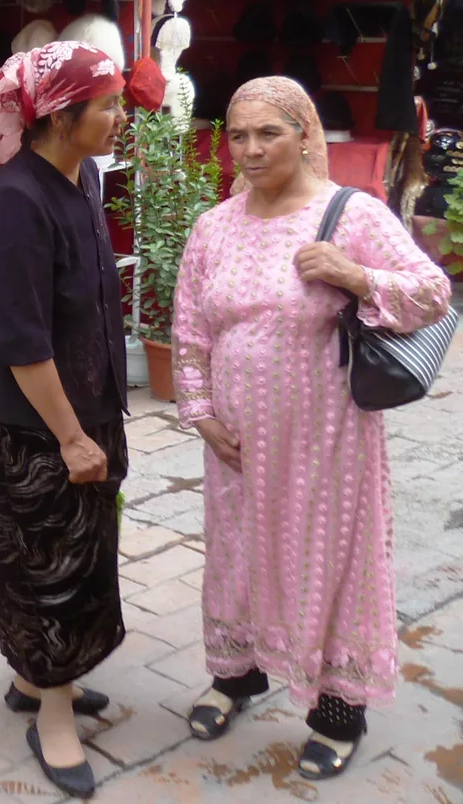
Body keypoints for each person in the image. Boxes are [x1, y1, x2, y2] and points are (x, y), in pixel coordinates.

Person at [172, 76, 449, 779]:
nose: (252, 149)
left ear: (304, 135)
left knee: (329, 560)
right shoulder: (215, 227)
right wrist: (200, 412)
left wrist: (356, 276)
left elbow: (433, 293)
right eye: (238, 135)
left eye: (270, 133)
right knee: (237, 554)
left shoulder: (349, 214)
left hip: (327, 438)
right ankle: (238, 675)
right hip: (236, 441)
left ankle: (337, 710)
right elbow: (189, 329)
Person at [0, 41, 131, 800]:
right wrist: (68, 435)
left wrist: (93, 423)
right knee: (48, 566)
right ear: (61, 117)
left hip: (89, 405)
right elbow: (20, 338)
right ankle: (52, 714)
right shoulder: (14, 201)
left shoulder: (83, 175)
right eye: (109, 106)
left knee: (87, 554)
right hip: (35, 425)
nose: (121, 118)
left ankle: (38, 680)